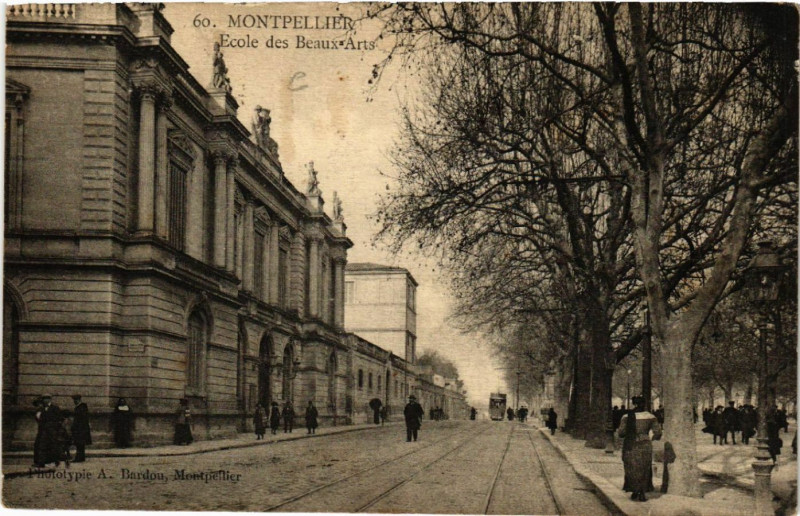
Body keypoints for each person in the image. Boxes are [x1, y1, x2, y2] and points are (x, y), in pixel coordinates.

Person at [618, 395, 662, 502]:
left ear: (634, 404)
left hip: (631, 444)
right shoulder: (651, 417)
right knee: (644, 467)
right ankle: (642, 492)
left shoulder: (626, 416)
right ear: (644, 404)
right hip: (645, 444)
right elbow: (658, 433)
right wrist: (650, 437)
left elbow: (621, 433)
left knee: (631, 467)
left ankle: (634, 489)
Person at [34, 394, 68, 468]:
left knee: (54, 447)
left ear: (50, 399)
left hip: (53, 431)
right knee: (42, 446)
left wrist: (57, 429)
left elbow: (60, 418)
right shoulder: (41, 409)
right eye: (44, 399)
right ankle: (41, 463)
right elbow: (38, 418)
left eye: (47, 399)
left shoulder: (55, 408)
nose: (45, 400)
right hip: (44, 430)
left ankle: (58, 461)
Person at [70, 395, 91, 462]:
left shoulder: (81, 407)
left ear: (79, 400)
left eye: (76, 400)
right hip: (79, 429)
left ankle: (79, 458)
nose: (75, 401)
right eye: (74, 400)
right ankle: (81, 457)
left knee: (80, 444)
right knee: (79, 444)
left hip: (81, 429)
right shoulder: (80, 407)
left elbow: (81, 419)